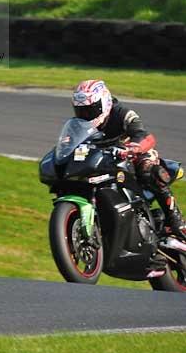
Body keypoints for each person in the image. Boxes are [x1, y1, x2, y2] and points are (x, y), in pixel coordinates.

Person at [72, 79, 186, 239]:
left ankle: (176, 219)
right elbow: (71, 143)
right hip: (104, 161)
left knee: (148, 170)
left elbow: (145, 135)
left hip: (133, 155)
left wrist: (134, 148)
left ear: (104, 102)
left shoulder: (122, 113)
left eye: (90, 109)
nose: (85, 115)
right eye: (81, 110)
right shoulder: (79, 124)